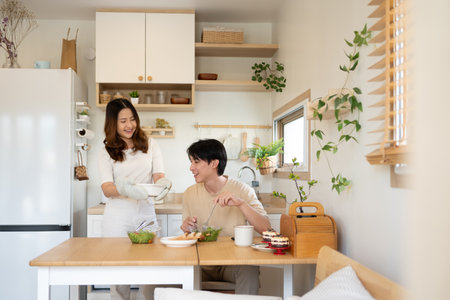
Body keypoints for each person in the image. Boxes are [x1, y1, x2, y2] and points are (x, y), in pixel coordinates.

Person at [98, 98, 172, 300]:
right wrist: (129, 191)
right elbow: (107, 188)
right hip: (117, 217)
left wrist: (164, 183)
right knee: (119, 274)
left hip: (145, 214)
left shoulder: (150, 144)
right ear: (112, 123)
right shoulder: (106, 151)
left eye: (132, 119)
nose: (129, 125)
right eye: (123, 121)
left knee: (151, 271)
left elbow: (158, 175)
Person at [181, 139, 271, 295]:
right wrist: (188, 228)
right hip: (199, 263)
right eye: (191, 162)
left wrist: (241, 204)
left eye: (196, 162)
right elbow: (188, 234)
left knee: (249, 270)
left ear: (214, 163)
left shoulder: (242, 190)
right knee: (158, 279)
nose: (191, 167)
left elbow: (267, 229)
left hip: (232, 263)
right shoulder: (190, 193)